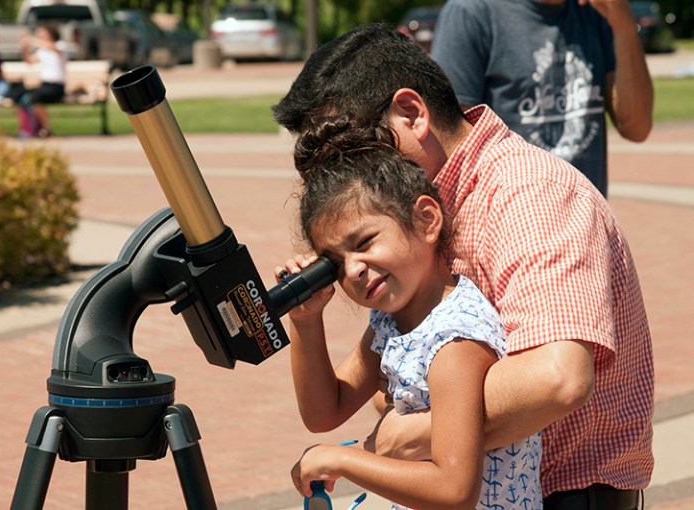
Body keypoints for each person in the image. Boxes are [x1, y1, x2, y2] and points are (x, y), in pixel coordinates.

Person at [272, 23, 652, 509]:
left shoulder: (529, 195)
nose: (345, 178)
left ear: (410, 114)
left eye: (351, 152)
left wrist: (415, 433)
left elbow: (558, 379)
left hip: (569, 497)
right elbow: (359, 389)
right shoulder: (422, 212)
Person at [280, 143, 543, 510]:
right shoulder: (394, 321)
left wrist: (343, 461)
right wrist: (305, 320)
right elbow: (325, 412)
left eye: (364, 242)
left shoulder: (454, 337)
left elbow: (454, 490)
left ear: (426, 220)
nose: (353, 269)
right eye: (335, 265)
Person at [431, 0, 654, 197]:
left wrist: (623, 21)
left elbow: (637, 128)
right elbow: (450, 147)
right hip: (513, 224)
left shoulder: (598, 12)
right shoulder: (470, 13)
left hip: (586, 225)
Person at [12, 24, 67, 138]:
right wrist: (25, 48)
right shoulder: (42, 50)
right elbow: (29, 61)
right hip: (44, 85)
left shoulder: (61, 45)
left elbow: (53, 48)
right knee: (19, 95)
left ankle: (47, 128)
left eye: (42, 32)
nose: (40, 35)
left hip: (56, 87)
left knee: (35, 98)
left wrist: (32, 40)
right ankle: (27, 128)